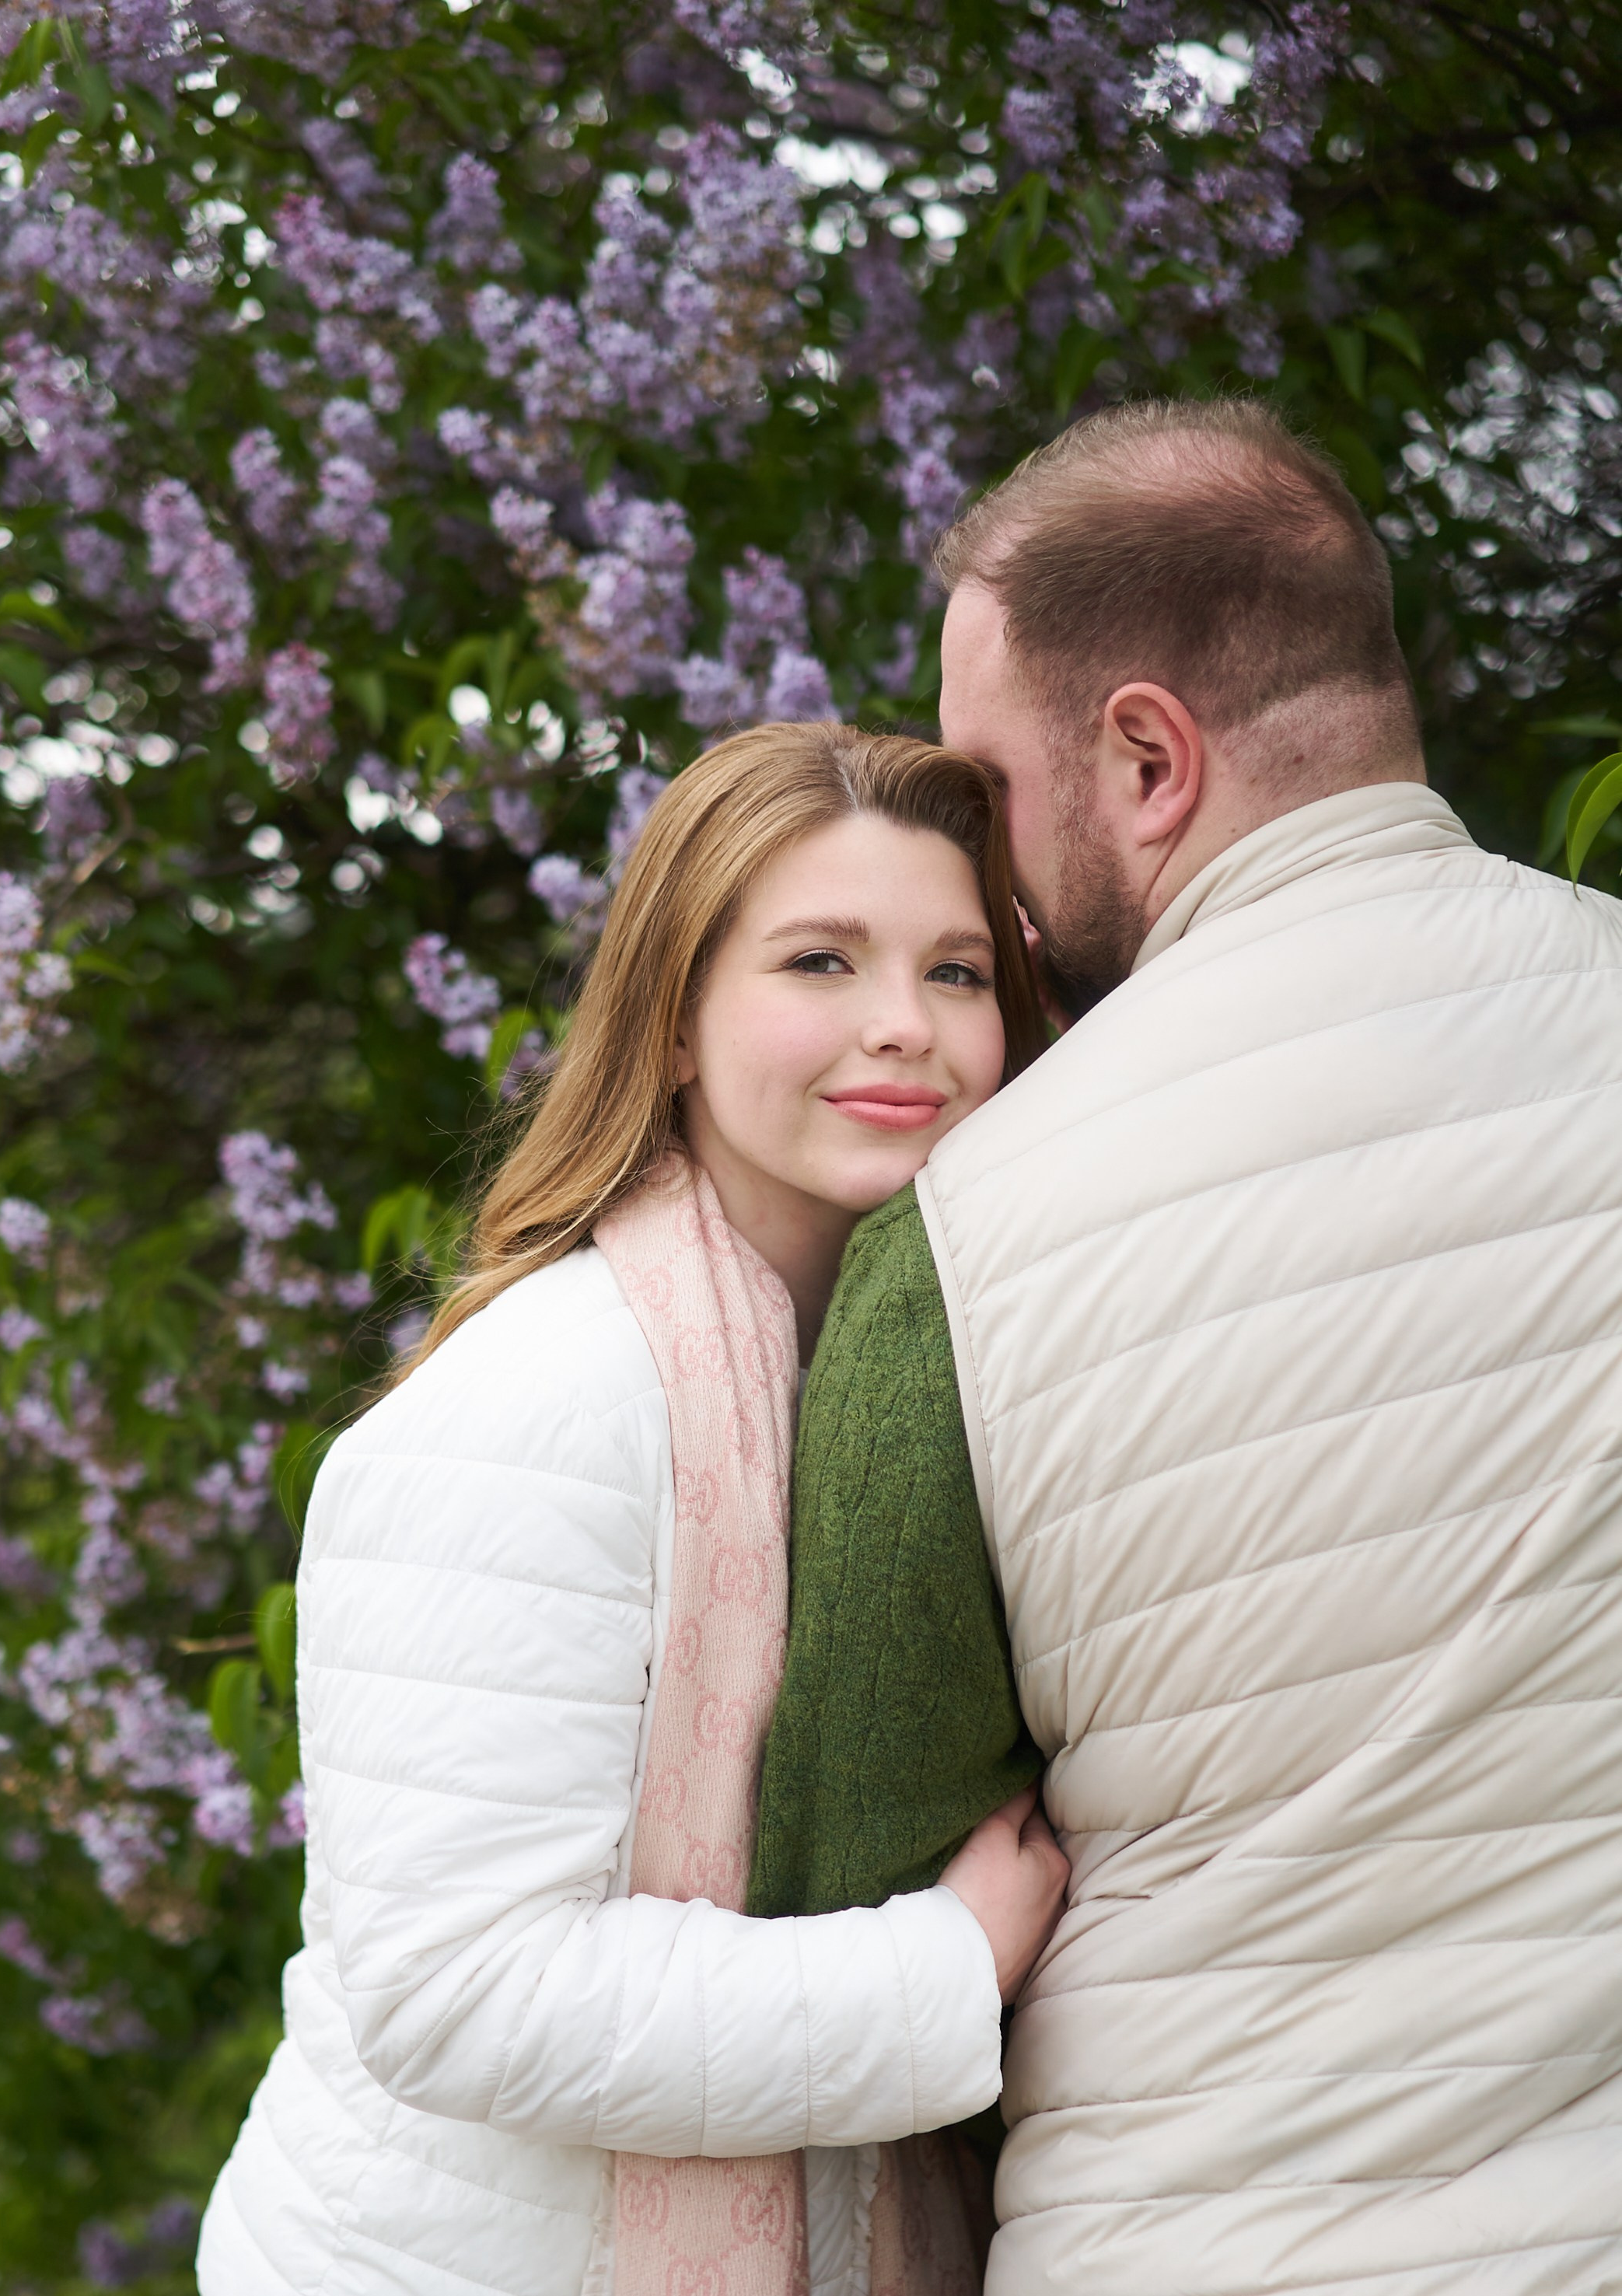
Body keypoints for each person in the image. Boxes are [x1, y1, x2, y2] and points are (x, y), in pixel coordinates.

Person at [756, 397, 1622, 2294]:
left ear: (1146, 755)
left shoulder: (966, 1238)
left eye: (983, 793)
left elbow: (853, 1898)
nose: (976, 875)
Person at [196, 723, 1071, 2296]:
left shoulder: (910, 1391)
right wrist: (939, 1966)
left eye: (955, 974)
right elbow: (456, 1992)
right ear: (671, 1025)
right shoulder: (540, 1399)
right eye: (819, 960)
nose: (906, 1028)